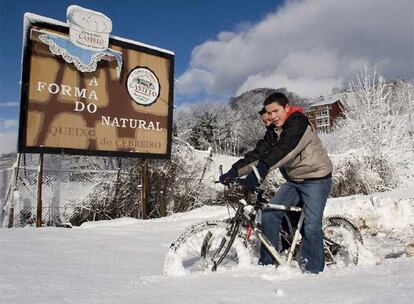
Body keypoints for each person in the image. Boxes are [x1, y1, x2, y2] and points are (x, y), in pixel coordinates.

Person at [220, 92, 333, 274]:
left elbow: (285, 149)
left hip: (316, 178)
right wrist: (234, 171)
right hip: (294, 180)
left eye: (276, 111)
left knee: (311, 225)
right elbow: (258, 154)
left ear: (286, 108)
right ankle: (269, 263)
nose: (272, 116)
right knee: (270, 213)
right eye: (268, 113)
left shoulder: (299, 123)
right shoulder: (273, 131)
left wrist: (261, 170)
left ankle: (314, 272)